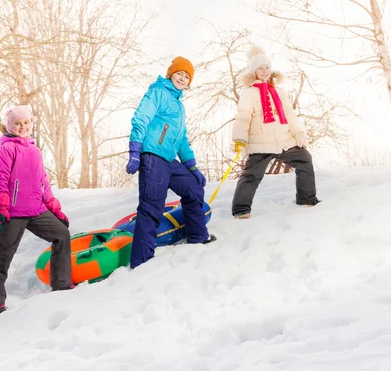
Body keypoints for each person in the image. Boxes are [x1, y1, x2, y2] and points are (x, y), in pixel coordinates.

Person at [126, 56, 216, 269]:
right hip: (153, 157)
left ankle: (197, 235)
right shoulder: (158, 92)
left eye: (187, 76)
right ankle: (142, 260)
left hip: (169, 159)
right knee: (151, 207)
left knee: (194, 189)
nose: (183, 79)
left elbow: (182, 138)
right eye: (179, 74)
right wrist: (135, 150)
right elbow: (141, 118)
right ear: (170, 74)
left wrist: (191, 165)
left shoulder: (178, 105)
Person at [0, 105, 73, 315]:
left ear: (31, 124)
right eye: (17, 123)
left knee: (62, 234)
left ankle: (61, 283)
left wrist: (54, 208)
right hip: (13, 212)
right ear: (10, 126)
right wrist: (2, 207)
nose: (22, 127)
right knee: (4, 253)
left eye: (26, 123)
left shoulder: (35, 151)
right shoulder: (5, 150)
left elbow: (43, 182)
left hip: (36, 210)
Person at [231, 46, 320, 219]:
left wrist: (299, 132)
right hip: (260, 143)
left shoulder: (279, 91)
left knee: (305, 159)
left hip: (284, 140)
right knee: (251, 175)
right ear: (254, 72)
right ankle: (241, 209)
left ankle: (307, 198)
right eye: (260, 68)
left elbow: (290, 115)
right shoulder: (250, 93)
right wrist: (239, 139)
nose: (264, 72)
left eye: (267, 68)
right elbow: (243, 117)